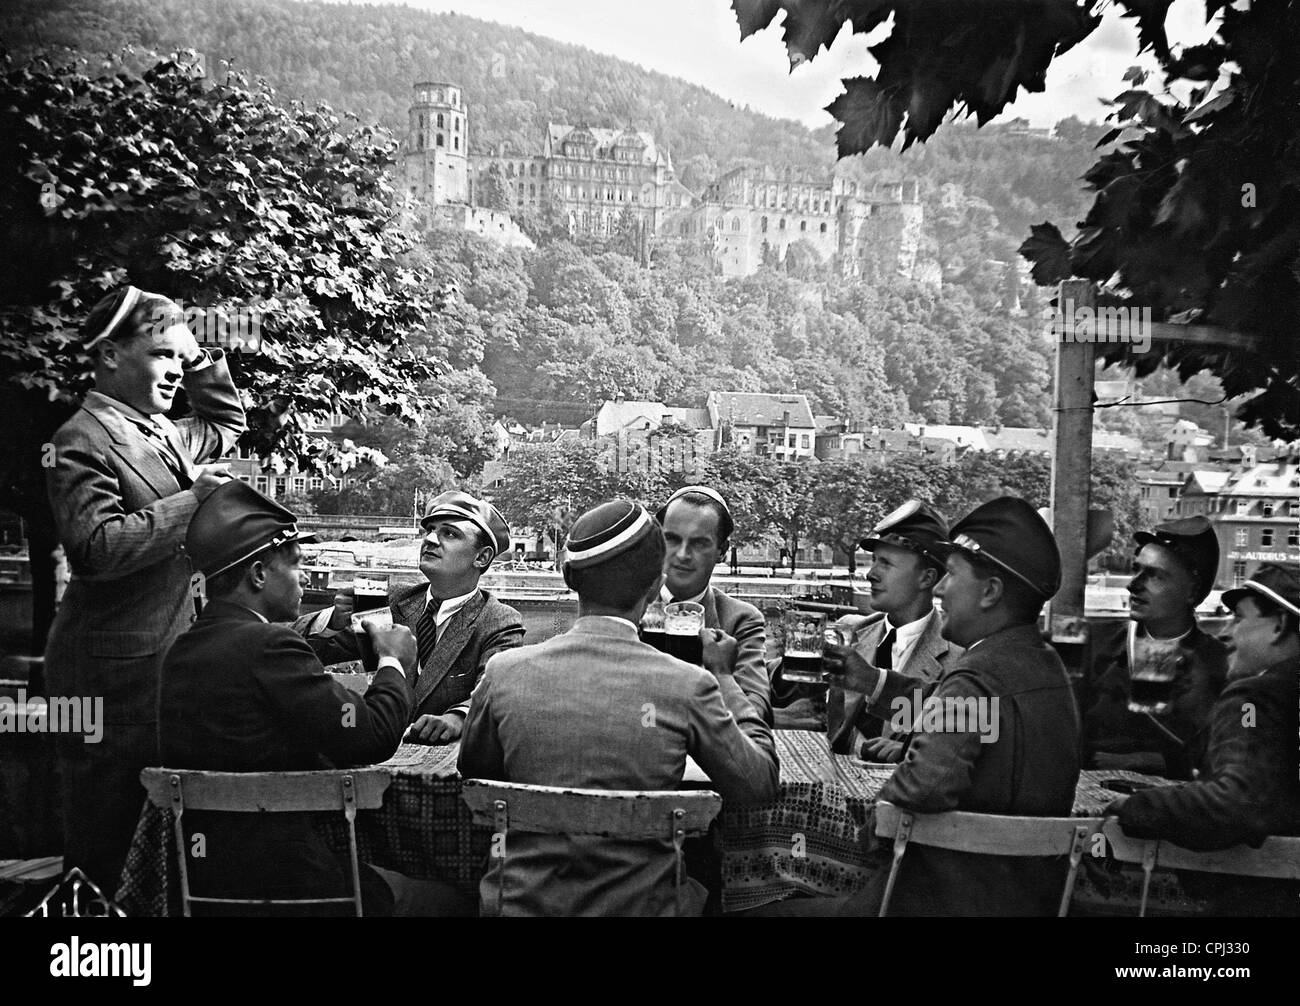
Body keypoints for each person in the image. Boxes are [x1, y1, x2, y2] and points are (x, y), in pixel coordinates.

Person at [458, 498, 780, 916]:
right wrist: (724, 677)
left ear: (570, 579)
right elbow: (757, 786)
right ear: (654, 585)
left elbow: (478, 774)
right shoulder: (690, 684)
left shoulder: (504, 673)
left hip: (520, 905)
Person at [158, 481, 463, 915]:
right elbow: (372, 737)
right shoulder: (269, 647)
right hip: (286, 880)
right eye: (297, 566)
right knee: (453, 896)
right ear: (259, 574)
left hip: (203, 876)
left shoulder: (183, 650)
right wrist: (394, 662)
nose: (304, 578)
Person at [43, 285, 246, 892]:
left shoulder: (164, 432)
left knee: (158, 840)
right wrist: (194, 501)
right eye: (161, 353)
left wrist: (203, 351)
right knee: (104, 841)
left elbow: (225, 420)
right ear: (109, 356)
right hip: (106, 680)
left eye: (179, 358)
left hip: (160, 670)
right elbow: (97, 549)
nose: (175, 370)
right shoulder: (79, 438)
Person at [815, 497, 1080, 916]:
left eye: (951, 575)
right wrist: (874, 682)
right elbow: (971, 723)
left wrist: (866, 836)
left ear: (990, 592)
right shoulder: (1045, 668)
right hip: (1022, 897)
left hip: (943, 897)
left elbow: (924, 787)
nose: (938, 588)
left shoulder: (976, 677)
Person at [1105, 562, 1300, 916]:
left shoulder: (1254, 701)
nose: (1226, 632)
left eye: (1239, 619)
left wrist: (1138, 808)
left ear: (1280, 625)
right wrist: (1200, 712)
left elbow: (1238, 800)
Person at [296, 490, 524, 745]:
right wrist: (334, 621)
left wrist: (458, 718)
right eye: (430, 531)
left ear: (481, 557)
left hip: (440, 763)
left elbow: (495, 688)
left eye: (449, 533)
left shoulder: (499, 621)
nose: (431, 539)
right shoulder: (393, 601)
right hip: (374, 750)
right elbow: (297, 651)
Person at [1082, 516, 1227, 779]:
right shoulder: (1093, 643)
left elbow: (1241, 745)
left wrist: (1146, 760)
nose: (1133, 585)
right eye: (1136, 569)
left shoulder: (1222, 665)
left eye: (1154, 575)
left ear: (1192, 591)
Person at [826, 500, 964, 760]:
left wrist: (913, 750)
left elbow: (972, 727)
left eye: (886, 564)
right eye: (874, 561)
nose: (871, 574)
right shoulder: (851, 633)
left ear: (927, 578)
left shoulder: (959, 656)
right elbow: (813, 711)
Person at [656, 485, 772, 724]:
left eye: (699, 544)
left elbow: (754, 711)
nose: (682, 554)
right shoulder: (628, 607)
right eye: (672, 539)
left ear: (722, 551)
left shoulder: (741, 620)